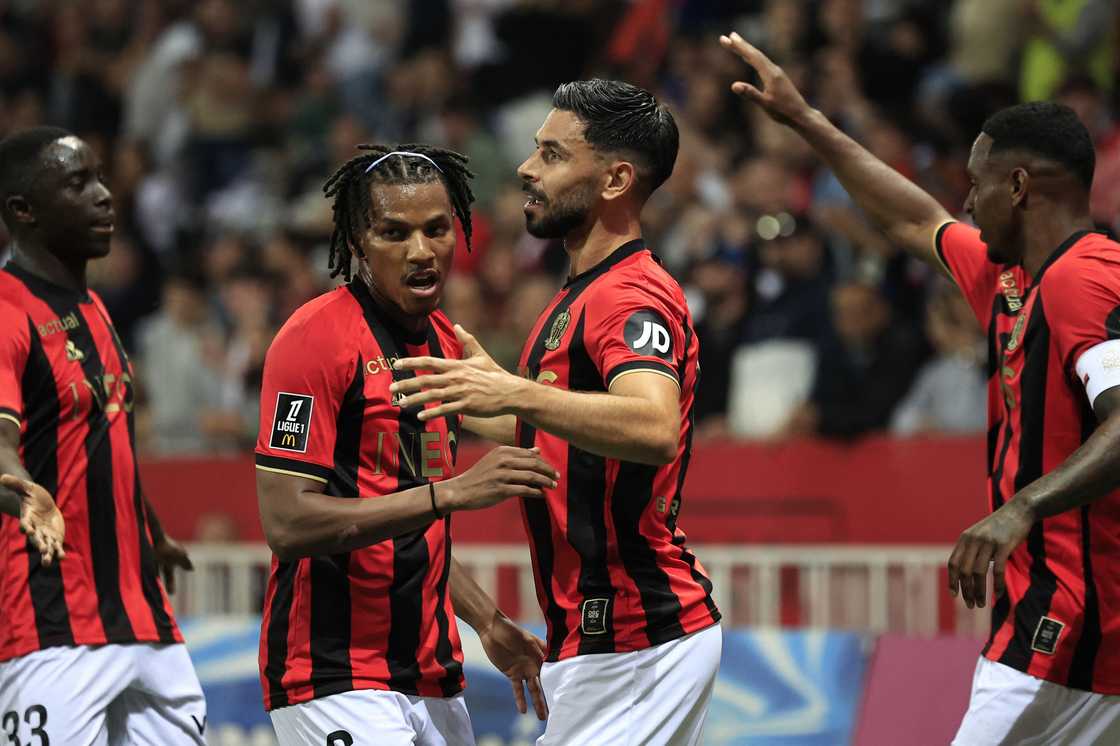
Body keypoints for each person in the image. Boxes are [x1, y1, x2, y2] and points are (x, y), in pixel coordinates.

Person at [720, 30, 1120, 744]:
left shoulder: (1083, 278)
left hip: (1072, 623)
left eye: (977, 182)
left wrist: (1019, 508)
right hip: (1064, 619)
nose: (965, 201)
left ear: (1019, 187)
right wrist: (807, 120)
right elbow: (913, 218)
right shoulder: (1012, 279)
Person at [390, 81, 723, 745]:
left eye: (552, 154)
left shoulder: (630, 296)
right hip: (608, 640)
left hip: (637, 639)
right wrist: (461, 394)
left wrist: (513, 392)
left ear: (615, 179)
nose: (526, 168)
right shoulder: (578, 292)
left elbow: (655, 426)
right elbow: (560, 429)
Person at [254, 144, 559, 745]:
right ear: (358, 242)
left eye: (436, 229)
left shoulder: (445, 343)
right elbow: (287, 522)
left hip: (432, 674)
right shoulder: (313, 339)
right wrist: (449, 494)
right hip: (333, 675)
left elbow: (408, 532)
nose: (421, 251)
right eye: (395, 233)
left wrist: (486, 621)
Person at [0, 127, 205, 743]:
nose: (105, 195)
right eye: (78, 183)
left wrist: (151, 530)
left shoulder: (95, 308)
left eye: (101, 178)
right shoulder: (7, 313)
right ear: (24, 211)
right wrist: (25, 495)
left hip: (145, 619)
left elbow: (100, 440)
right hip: (52, 622)